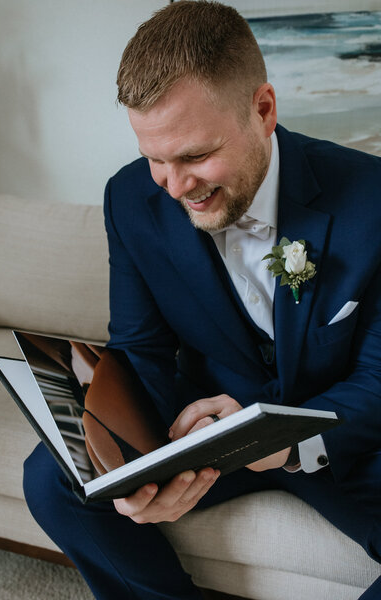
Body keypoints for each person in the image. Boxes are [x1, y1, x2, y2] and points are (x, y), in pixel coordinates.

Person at [23, 2, 381, 598]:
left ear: (263, 110)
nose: (173, 185)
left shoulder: (373, 199)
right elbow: (140, 349)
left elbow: (377, 377)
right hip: (205, 430)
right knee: (54, 478)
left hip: (345, 434)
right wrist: (125, 457)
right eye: (154, 158)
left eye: (193, 156)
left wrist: (278, 442)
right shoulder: (130, 199)